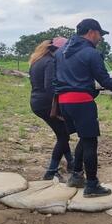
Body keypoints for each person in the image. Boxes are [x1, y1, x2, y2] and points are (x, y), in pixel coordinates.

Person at [54, 18, 112, 197]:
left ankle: (76, 176)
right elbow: (105, 81)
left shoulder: (61, 52)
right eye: (100, 34)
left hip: (64, 102)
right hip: (81, 102)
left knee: (83, 139)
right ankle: (92, 185)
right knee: (90, 143)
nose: (100, 38)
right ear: (92, 32)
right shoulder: (90, 53)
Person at [29, 37, 74, 180]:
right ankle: (51, 171)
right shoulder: (50, 62)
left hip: (37, 101)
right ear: (58, 50)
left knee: (62, 133)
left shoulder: (37, 61)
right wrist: (60, 107)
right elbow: (50, 88)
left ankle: (71, 163)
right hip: (46, 104)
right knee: (63, 135)